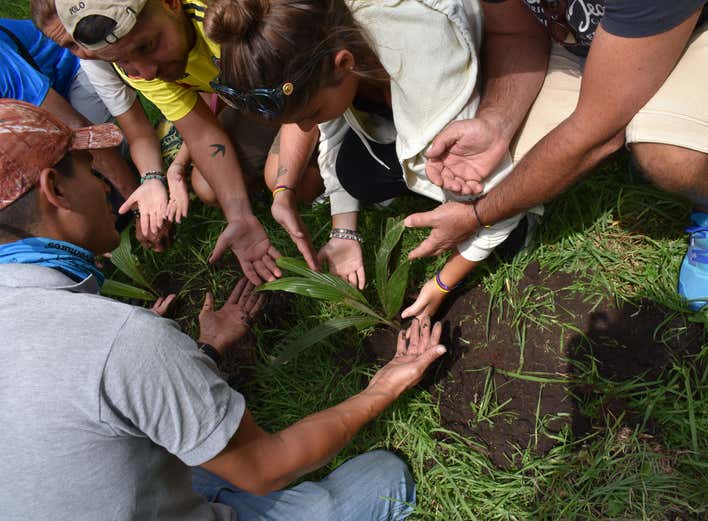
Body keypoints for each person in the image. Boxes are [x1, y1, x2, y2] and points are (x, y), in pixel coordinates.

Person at [0, 98, 446, 520]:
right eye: (87, 168)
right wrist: (382, 387)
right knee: (385, 479)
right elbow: (266, 467)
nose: (102, 185)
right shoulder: (118, 340)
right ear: (55, 188)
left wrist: (203, 354)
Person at [404, 0, 708, 311]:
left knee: (672, 156)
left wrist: (477, 216)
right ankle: (638, 97)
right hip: (595, 39)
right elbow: (515, 31)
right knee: (500, 174)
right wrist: (496, 122)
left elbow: (595, 135)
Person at [204, 0, 543, 319]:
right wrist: (343, 233)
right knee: (353, 172)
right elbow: (333, 128)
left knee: (491, 216)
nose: (306, 128)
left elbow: (490, 190)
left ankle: (518, 222)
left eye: (310, 115)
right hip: (417, 112)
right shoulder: (324, 33)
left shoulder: (424, 66)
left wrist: (442, 283)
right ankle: (428, 187)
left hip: (478, 94)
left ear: (344, 63)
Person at [51, 0, 289, 284]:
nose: (146, 72)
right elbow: (201, 132)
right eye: (122, 61)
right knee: (209, 188)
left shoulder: (229, 17)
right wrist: (239, 216)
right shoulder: (136, 62)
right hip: (261, 95)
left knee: (283, 178)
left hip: (304, 78)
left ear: (171, 3)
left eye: (147, 46)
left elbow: (304, 84)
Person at [1, 15, 176, 251]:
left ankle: (155, 156)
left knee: (96, 179)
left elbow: (80, 132)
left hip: (69, 73)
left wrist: (141, 209)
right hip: (25, 118)